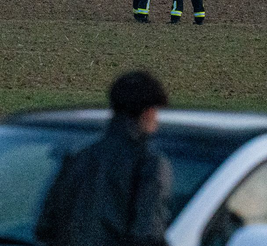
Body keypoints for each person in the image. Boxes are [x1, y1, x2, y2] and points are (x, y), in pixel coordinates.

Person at [37, 70, 171, 246]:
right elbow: (147, 235)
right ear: (148, 112)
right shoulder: (148, 164)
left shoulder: (77, 158)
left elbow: (45, 227)